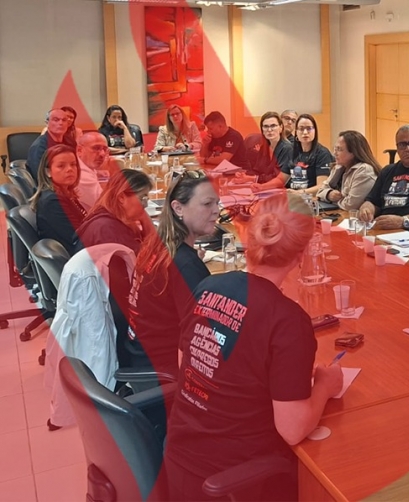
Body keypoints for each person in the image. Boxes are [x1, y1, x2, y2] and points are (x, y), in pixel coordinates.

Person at [164, 191, 343, 501]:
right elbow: (292, 430)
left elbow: (186, 365)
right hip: (236, 481)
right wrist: (325, 386)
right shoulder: (287, 321)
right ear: (301, 254)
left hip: (179, 462)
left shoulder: (208, 286)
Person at [125, 170, 217, 380]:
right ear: (178, 208)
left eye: (217, 203)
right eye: (207, 204)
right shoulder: (184, 265)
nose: (216, 211)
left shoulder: (157, 245)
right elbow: (207, 333)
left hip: (141, 354)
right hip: (167, 368)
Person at [77, 169, 154, 253]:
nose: (146, 205)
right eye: (142, 198)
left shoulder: (113, 219)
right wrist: (144, 218)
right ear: (121, 197)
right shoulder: (107, 229)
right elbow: (149, 257)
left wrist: (143, 216)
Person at [30, 144, 86, 256]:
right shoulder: (53, 202)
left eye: (73, 164)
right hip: (74, 257)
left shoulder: (64, 193)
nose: (70, 169)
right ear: (48, 172)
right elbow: (77, 237)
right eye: (61, 166)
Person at [315, 130, 381, 211]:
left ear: (353, 152)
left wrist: (331, 200)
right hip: (340, 213)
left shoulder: (364, 170)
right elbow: (320, 191)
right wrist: (328, 194)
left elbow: (350, 205)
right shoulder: (339, 166)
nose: (334, 153)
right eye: (335, 149)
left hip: (355, 217)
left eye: (339, 149)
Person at [247, 112, 295, 189]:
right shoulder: (264, 147)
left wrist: (261, 186)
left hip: (284, 190)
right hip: (265, 188)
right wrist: (246, 177)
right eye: (266, 126)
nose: (269, 130)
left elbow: (279, 179)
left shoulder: (288, 148)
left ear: (281, 128)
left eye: (273, 126)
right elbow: (258, 171)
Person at [27, 108, 77, 180]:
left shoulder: (70, 142)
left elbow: (77, 166)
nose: (61, 123)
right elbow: (39, 175)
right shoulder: (39, 146)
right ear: (47, 123)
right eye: (56, 120)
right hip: (50, 184)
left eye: (64, 120)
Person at [292, 113, 334, 194]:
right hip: (293, 196)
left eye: (309, 128)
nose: (305, 132)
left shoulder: (322, 153)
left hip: (312, 197)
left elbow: (322, 186)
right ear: (296, 132)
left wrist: (299, 192)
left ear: (315, 131)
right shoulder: (292, 151)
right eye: (301, 129)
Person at [74, 132, 110, 210]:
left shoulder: (80, 164)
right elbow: (107, 206)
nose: (102, 154)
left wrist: (97, 173)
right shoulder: (81, 175)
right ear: (79, 150)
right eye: (96, 148)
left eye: (105, 149)